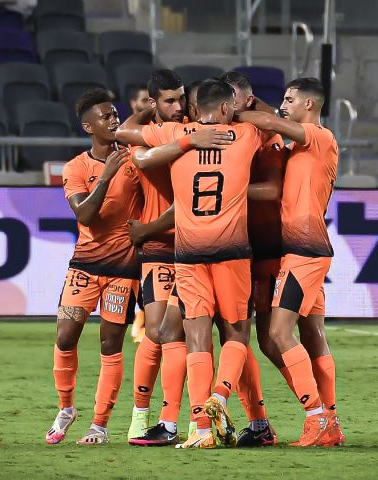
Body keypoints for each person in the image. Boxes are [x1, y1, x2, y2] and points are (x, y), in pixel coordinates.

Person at [116, 79, 263, 449]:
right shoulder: (245, 135)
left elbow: (124, 132)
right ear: (228, 108)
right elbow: (274, 119)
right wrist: (245, 108)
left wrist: (163, 118)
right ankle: (221, 397)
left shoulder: (176, 133)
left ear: (195, 107)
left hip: (187, 254)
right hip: (232, 253)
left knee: (195, 338)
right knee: (236, 334)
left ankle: (200, 429)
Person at [237, 77, 345, 447]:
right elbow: (274, 117)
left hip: (304, 252)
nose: (283, 106)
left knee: (278, 334)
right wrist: (254, 103)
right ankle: (331, 422)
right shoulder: (302, 145)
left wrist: (232, 111)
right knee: (313, 337)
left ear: (309, 104)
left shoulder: (319, 136)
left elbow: (270, 121)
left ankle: (316, 417)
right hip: (307, 251)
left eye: (289, 99)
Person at [125, 71, 228, 444]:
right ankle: (142, 417)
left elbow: (190, 198)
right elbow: (140, 157)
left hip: (191, 247)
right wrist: (183, 139)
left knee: (191, 332)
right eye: (169, 100)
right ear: (154, 102)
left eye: (181, 98)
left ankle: (184, 421)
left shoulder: (196, 130)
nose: (179, 106)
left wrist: (149, 227)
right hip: (158, 249)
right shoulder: (163, 134)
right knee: (156, 332)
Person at [45, 88, 142, 445]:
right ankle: (66, 407)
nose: (114, 120)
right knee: (65, 337)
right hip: (84, 265)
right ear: (89, 126)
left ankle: (99, 425)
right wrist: (106, 176)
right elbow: (85, 215)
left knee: (110, 345)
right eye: (106, 116)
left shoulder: (135, 160)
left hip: (123, 268)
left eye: (115, 114)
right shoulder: (76, 167)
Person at [219, 71, 285, 447]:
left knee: (273, 340)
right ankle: (259, 424)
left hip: (267, 249)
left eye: (232, 101)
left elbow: (272, 190)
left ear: (246, 101)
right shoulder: (223, 136)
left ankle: (322, 413)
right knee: (237, 338)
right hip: (234, 250)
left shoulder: (268, 137)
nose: (225, 108)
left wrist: (226, 190)